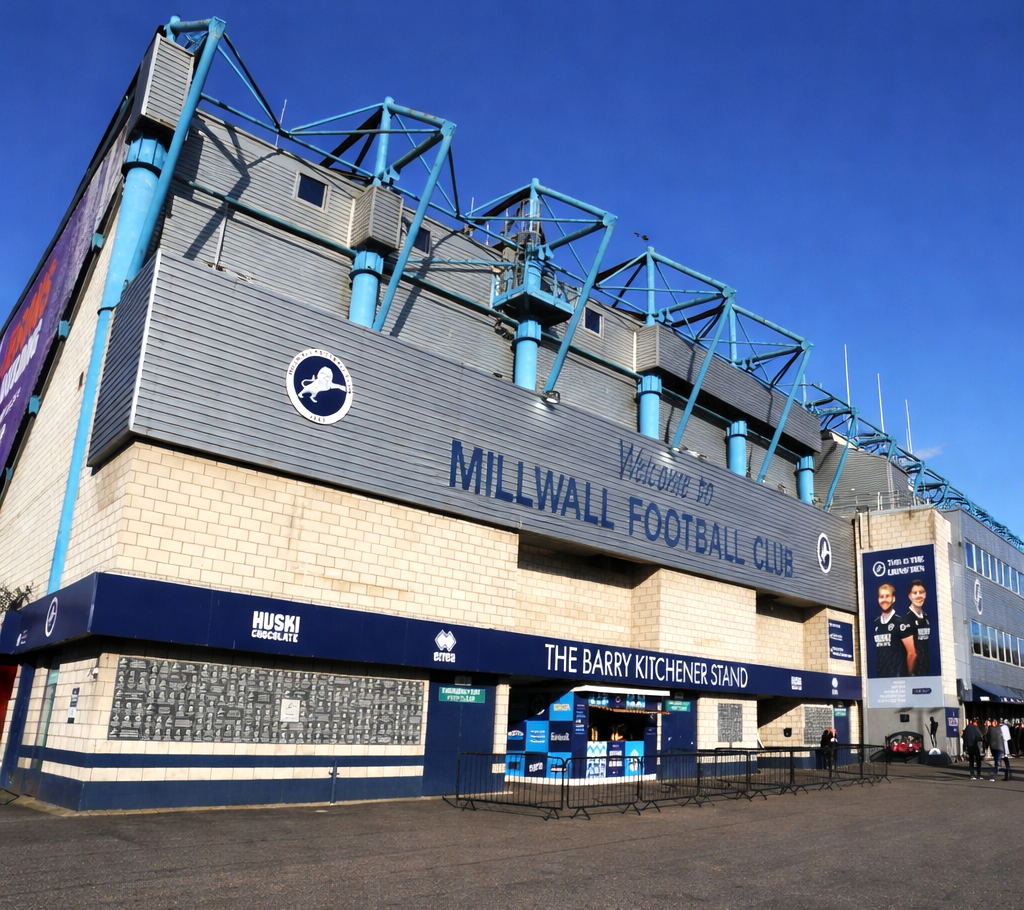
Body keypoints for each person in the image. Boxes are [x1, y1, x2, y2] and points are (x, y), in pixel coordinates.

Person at [873, 584, 916, 677]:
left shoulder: (901, 623)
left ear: (893, 598)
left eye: (887, 596)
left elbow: (912, 653)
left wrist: (906, 676)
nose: (884, 600)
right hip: (880, 680)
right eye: (881, 597)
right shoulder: (875, 623)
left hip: (898, 681)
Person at [905, 579, 931, 676]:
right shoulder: (907, 619)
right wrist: (909, 675)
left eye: (921, 592)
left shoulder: (926, 618)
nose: (918, 596)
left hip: (925, 671)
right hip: (913, 674)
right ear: (910, 596)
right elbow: (911, 654)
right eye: (915, 593)